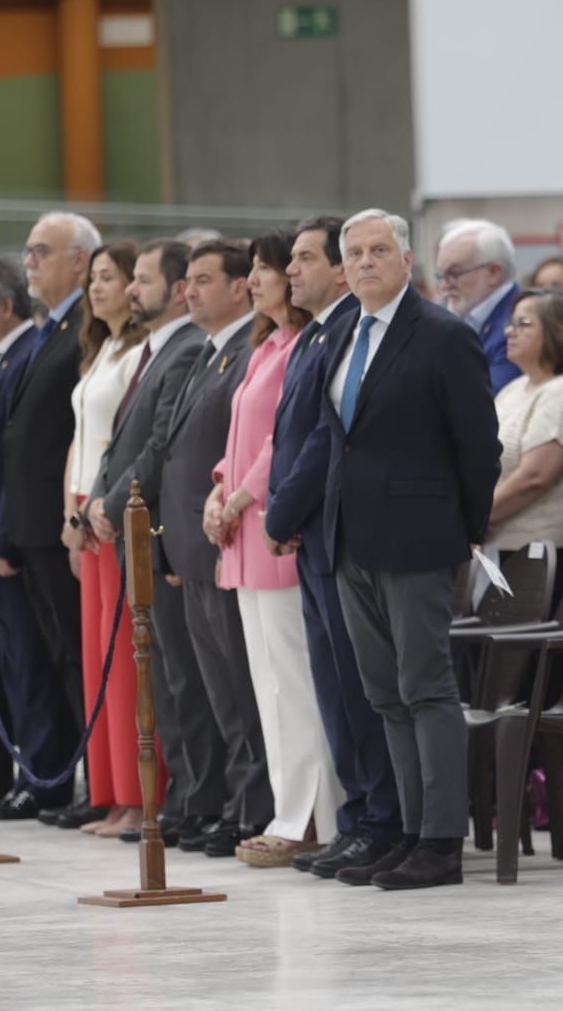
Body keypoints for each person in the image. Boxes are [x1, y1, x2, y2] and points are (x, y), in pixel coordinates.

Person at [319, 208, 500, 891]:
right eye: (355, 253)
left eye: (378, 251)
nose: (365, 262)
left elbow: (478, 445)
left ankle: (441, 840)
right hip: (350, 536)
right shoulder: (344, 332)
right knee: (383, 694)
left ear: (404, 258)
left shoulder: (441, 335)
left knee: (426, 687)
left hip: (418, 535)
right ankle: (404, 828)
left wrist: (467, 526)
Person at [262, 216, 403, 880]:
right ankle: (357, 819)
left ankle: (380, 819)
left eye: (304, 259)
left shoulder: (348, 329)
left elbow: (325, 436)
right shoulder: (317, 333)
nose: (290, 271)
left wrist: (284, 510)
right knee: (332, 689)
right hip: (312, 533)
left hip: (334, 532)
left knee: (356, 687)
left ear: (340, 272)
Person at [210, 226, 343, 868]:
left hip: (273, 526)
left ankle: (310, 817)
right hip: (243, 529)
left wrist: (242, 497)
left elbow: (286, 442)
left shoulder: (300, 348)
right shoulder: (265, 346)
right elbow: (240, 436)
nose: (260, 277)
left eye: (268, 267)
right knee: (269, 684)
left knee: (294, 682)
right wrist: (218, 489)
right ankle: (290, 808)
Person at [88, 238, 225, 848]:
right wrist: (99, 496)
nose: (132, 289)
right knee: (167, 677)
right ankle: (187, 800)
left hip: (162, 530)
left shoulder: (188, 348)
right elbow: (120, 444)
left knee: (188, 680)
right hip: (139, 530)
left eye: (141, 279)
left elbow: (160, 444)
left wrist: (113, 504)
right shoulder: (157, 351)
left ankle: (201, 798)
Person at [0, 257, 80, 821]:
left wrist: (3, 533)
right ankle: (29, 771)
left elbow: (16, 461)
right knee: (12, 665)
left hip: (10, 536)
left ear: (6, 306)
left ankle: (45, 775)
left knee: (31, 665)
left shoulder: (27, 353)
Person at [161, 239, 271, 859]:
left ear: (239, 288)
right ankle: (232, 803)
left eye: (204, 279)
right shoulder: (207, 354)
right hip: (194, 542)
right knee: (217, 693)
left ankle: (252, 807)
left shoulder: (248, 349)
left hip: (229, 539)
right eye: (189, 280)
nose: (189, 290)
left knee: (240, 687)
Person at [61, 240, 151, 838]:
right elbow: (81, 436)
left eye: (109, 277)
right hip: (82, 505)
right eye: (92, 277)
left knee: (124, 657)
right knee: (97, 657)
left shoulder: (143, 351)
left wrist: (97, 504)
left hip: (114, 508)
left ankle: (140, 796)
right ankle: (110, 792)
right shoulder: (101, 350)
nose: (97, 288)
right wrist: (67, 513)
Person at [10, 212, 99, 748]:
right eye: (29, 250)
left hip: (62, 520)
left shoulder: (84, 328)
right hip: (33, 522)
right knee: (59, 653)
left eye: (42, 250)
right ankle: (86, 776)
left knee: (77, 650)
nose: (30, 261)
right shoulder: (51, 329)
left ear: (80, 260)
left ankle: (96, 777)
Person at [488, 290, 563, 601]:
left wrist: (476, 517)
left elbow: (535, 477)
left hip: (542, 552)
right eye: (511, 323)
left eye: (523, 324)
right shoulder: (515, 388)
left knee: (530, 648)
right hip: (503, 545)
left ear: (557, 332)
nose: (509, 331)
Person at [436, 219, 522, 394]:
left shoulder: (521, 322)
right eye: (440, 276)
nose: (445, 285)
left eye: (454, 274)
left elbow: (487, 402)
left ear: (493, 273)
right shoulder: (459, 317)